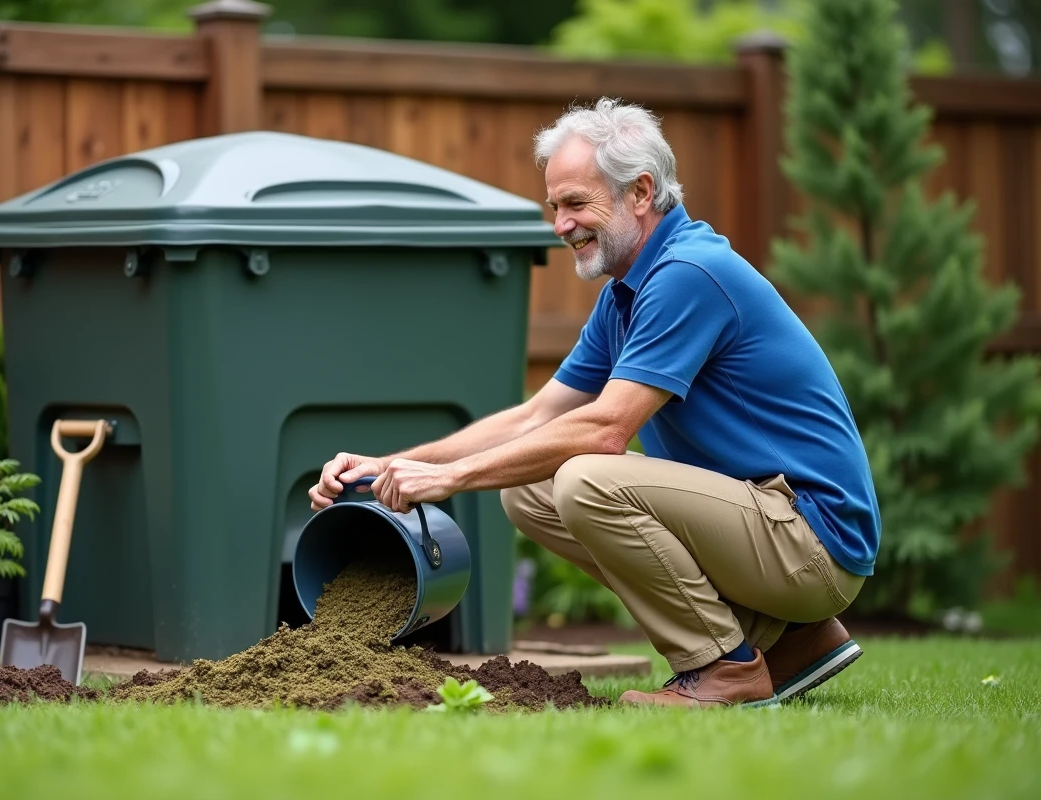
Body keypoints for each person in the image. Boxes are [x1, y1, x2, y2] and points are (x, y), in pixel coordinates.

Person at [308, 97, 881, 709]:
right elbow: (537, 416)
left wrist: (448, 478)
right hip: (766, 527)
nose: (560, 224)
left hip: (811, 536)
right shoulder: (626, 296)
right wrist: (388, 464)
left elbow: (607, 428)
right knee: (529, 490)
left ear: (640, 192)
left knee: (585, 478)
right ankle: (793, 639)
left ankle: (727, 667)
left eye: (577, 204)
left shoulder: (690, 273)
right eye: (555, 206)